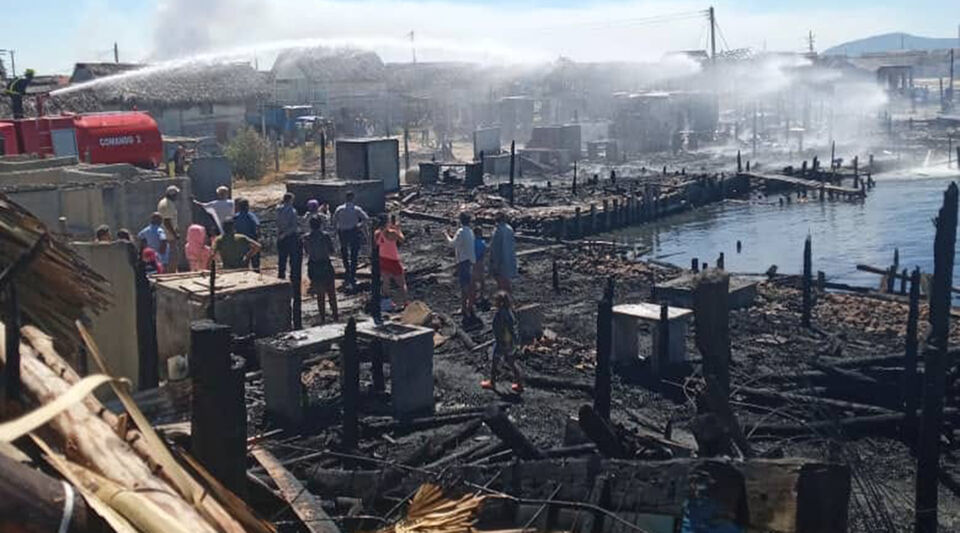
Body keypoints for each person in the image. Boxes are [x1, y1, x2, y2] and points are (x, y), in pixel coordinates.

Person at [481, 291, 523, 393]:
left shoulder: (502, 314)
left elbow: (504, 329)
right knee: (511, 362)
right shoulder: (508, 312)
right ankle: (519, 384)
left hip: (503, 342)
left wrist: (504, 342)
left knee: (495, 362)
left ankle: (492, 382)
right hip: (509, 342)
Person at [303, 215, 339, 324]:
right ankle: (335, 316)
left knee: (320, 294)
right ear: (320, 224)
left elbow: (307, 251)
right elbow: (331, 251)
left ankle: (322, 318)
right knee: (331, 292)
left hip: (314, 266)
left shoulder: (306, 237)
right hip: (325, 264)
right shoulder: (325, 236)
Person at [445, 211, 477, 326]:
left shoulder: (461, 231)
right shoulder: (469, 232)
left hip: (463, 262)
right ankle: (467, 306)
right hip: (470, 261)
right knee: (468, 285)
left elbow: (452, 244)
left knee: (464, 286)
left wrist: (446, 235)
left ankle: (467, 308)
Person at [333, 191, 369, 287]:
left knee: (344, 251)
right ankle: (352, 273)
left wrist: (337, 229)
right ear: (353, 198)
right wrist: (359, 225)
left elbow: (334, 221)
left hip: (343, 232)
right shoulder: (356, 209)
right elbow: (366, 218)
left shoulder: (339, 209)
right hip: (353, 231)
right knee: (354, 253)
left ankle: (347, 270)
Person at [374, 215, 408, 307]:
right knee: (402, 283)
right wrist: (398, 229)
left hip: (382, 258)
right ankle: (405, 302)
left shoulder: (377, 233)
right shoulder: (392, 233)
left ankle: (387, 302)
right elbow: (402, 239)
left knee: (386, 282)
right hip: (393, 260)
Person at [488, 211, 518, 294]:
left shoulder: (497, 231)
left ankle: (504, 301)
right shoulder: (509, 229)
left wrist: (494, 263)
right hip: (509, 258)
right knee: (506, 281)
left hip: (500, 261)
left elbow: (495, 248)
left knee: (501, 282)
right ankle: (507, 301)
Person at [276, 192, 301, 280]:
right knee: (293, 258)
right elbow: (293, 226)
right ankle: (292, 277)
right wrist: (286, 234)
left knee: (282, 258)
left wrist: (281, 234)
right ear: (290, 200)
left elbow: (278, 222)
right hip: (290, 237)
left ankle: (281, 276)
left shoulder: (278, 209)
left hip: (280, 235)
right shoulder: (292, 211)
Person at [233, 197, 261, 271]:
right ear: (247, 206)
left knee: (243, 262)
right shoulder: (251, 216)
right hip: (252, 240)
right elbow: (257, 227)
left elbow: (233, 229)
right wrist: (258, 238)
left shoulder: (235, 217)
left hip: (241, 241)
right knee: (255, 262)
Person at [157, 185, 181, 272]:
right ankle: (171, 272)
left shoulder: (165, 202)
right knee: (172, 256)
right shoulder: (167, 204)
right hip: (169, 235)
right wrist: (174, 234)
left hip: (167, 234)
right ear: (173, 195)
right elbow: (167, 221)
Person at [473, 225, 488, 308]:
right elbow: (484, 252)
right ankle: (481, 295)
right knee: (482, 280)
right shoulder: (482, 242)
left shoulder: (472, 242)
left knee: (474, 280)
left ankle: (474, 296)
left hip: (474, 262)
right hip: (480, 262)